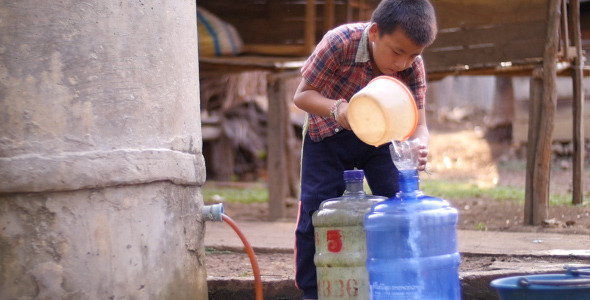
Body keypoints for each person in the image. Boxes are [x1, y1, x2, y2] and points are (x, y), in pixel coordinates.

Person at [292, 0, 437, 298]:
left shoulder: (413, 66)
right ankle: (312, 291)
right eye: (397, 52)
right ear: (374, 33)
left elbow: (419, 124)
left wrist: (419, 145)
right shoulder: (339, 43)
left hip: (384, 138)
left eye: (413, 55)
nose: (403, 63)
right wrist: (339, 110)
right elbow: (302, 95)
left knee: (402, 204)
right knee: (316, 212)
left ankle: (402, 285)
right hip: (328, 133)